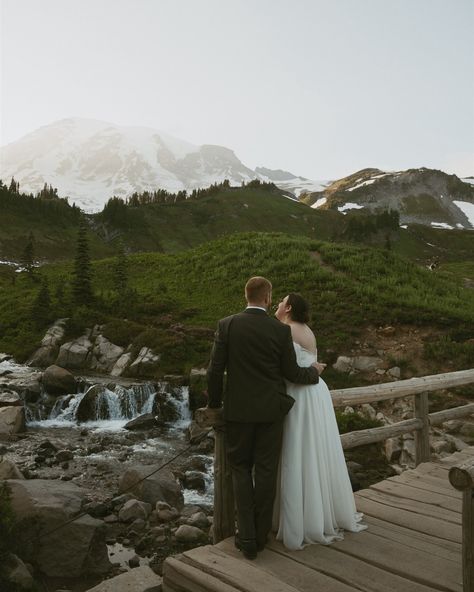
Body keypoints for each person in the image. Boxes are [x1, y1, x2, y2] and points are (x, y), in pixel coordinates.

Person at [206, 277, 325, 560]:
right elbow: (294, 374)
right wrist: (315, 372)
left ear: (246, 295)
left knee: (241, 470)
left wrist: (214, 405)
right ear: (268, 298)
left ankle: (245, 538)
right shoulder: (279, 330)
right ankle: (260, 536)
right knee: (267, 472)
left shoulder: (227, 324)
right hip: (271, 412)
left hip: (237, 412)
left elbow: (214, 371)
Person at [272, 293, 367, 550]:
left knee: (296, 450)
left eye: (281, 301)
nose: (277, 305)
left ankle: (299, 520)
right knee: (316, 450)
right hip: (316, 393)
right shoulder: (307, 330)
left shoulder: (285, 330)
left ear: (288, 307)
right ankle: (320, 512)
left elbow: (284, 368)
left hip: (299, 393)